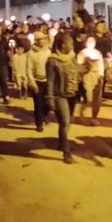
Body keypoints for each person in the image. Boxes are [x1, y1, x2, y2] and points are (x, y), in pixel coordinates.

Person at [46, 33, 80, 164]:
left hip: (71, 94)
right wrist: (50, 98)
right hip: (59, 95)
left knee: (66, 122)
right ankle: (66, 152)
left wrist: (87, 67)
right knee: (65, 122)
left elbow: (77, 72)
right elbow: (50, 81)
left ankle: (62, 142)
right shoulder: (52, 61)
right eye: (70, 43)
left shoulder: (72, 57)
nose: (72, 45)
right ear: (62, 45)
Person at [76, 36, 104, 125]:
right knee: (88, 98)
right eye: (89, 41)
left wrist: (101, 75)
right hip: (87, 76)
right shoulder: (82, 53)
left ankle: (94, 118)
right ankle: (82, 114)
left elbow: (101, 65)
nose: (91, 43)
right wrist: (86, 64)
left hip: (97, 76)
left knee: (97, 99)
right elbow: (78, 66)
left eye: (92, 41)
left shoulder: (98, 53)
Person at [27, 31, 52, 132]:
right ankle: (39, 123)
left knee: (48, 103)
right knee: (38, 104)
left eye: (45, 39)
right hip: (37, 81)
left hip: (48, 81)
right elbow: (29, 69)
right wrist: (32, 83)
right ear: (37, 41)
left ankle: (45, 115)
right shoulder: (31, 53)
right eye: (41, 39)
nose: (44, 41)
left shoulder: (48, 52)